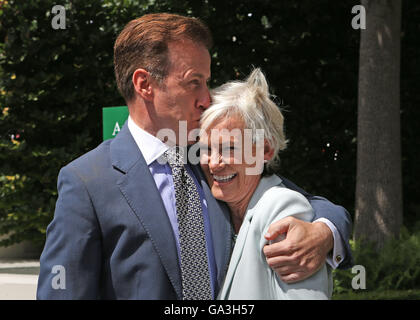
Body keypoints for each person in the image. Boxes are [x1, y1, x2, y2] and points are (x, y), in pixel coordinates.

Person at [37, 13, 352, 299]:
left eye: (207, 82)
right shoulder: (87, 181)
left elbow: (303, 201)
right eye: (194, 83)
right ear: (144, 83)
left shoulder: (213, 161)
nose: (206, 98)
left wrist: (325, 232)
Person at [200, 68, 332, 299]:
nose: (214, 164)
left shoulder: (282, 210)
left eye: (229, 148)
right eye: (206, 149)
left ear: (266, 150)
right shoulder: (216, 208)